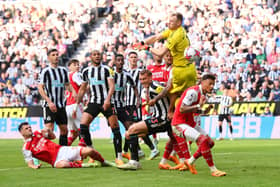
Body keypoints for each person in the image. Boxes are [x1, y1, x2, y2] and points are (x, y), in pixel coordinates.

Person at [118, 70, 185, 170]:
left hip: (162, 119)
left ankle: (134, 161)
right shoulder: (147, 89)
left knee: (132, 130)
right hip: (156, 117)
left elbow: (173, 95)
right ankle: (182, 161)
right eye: (140, 79)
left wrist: (170, 111)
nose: (142, 81)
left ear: (150, 77)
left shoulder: (155, 87)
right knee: (130, 134)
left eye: (144, 79)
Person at [140, 12, 197, 119]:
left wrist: (147, 48)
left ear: (179, 23)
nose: (168, 23)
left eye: (172, 22)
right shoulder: (175, 30)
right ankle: (192, 112)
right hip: (189, 68)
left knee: (171, 91)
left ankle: (170, 112)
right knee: (189, 93)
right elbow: (156, 37)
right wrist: (142, 42)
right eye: (169, 21)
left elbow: (160, 53)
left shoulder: (176, 35)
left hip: (180, 69)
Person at [171, 74, 226, 177]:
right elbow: (182, 109)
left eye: (213, 84)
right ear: (202, 82)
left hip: (190, 124)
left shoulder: (201, 94)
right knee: (203, 140)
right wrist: (198, 105)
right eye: (209, 84)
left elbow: (194, 110)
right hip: (179, 124)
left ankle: (190, 161)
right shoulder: (193, 92)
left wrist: (204, 110)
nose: (211, 86)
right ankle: (213, 170)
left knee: (210, 143)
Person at [76, 50, 123, 166]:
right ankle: (92, 154)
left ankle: (119, 157)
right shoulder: (86, 71)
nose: (97, 56)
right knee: (83, 126)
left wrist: (107, 100)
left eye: (98, 55)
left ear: (101, 57)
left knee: (115, 128)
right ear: (90, 57)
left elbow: (112, 86)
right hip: (94, 102)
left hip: (107, 102)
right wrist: (77, 104)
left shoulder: (107, 69)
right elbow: (83, 88)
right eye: (94, 55)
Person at [18, 122, 115, 169]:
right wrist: (35, 166)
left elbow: (53, 137)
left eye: (30, 127)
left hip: (62, 150)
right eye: (26, 128)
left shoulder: (38, 133)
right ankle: (83, 165)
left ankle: (103, 162)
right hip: (55, 160)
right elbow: (30, 163)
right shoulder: (26, 148)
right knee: (62, 165)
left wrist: (49, 131)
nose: (29, 129)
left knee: (89, 151)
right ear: (21, 132)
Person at [125, 51, 158, 159]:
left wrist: (145, 98)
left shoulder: (140, 72)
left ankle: (152, 148)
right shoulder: (125, 72)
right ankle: (139, 150)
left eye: (135, 57)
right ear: (128, 59)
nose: (133, 59)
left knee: (137, 128)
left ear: (137, 59)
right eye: (131, 57)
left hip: (136, 104)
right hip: (127, 104)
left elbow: (146, 86)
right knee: (130, 128)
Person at [38, 49, 73, 146]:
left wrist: (75, 94)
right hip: (49, 105)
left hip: (61, 105)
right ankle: (39, 153)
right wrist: (49, 102)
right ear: (49, 58)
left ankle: (63, 154)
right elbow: (40, 88)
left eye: (57, 54)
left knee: (64, 130)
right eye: (53, 55)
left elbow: (67, 85)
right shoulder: (45, 71)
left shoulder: (63, 70)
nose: (56, 56)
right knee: (48, 130)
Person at [113, 54, 140, 160]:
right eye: (118, 60)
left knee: (131, 128)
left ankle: (132, 154)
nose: (120, 62)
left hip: (122, 106)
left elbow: (134, 86)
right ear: (114, 62)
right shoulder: (110, 73)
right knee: (116, 131)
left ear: (124, 62)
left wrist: (138, 99)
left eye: (121, 60)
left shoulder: (127, 75)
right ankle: (118, 157)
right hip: (111, 106)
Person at [65, 59, 83, 146]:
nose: (77, 66)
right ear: (69, 67)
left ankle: (63, 152)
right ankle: (81, 155)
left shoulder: (66, 76)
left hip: (68, 106)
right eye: (75, 64)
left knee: (73, 133)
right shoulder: (76, 75)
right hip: (75, 105)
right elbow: (83, 86)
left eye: (78, 64)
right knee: (84, 129)